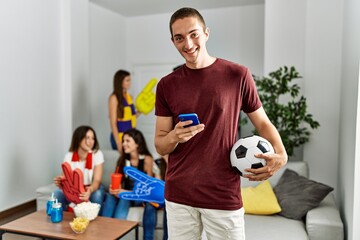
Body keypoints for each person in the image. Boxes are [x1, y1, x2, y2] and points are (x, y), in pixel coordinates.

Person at [154, 7, 288, 240]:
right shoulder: (167, 85)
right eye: (179, 38)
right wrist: (174, 136)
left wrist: (281, 154)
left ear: (206, 33)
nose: (188, 43)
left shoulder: (237, 75)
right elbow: (160, 145)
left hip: (222, 194)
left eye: (194, 34)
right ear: (172, 41)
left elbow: (263, 124)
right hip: (179, 194)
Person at [101, 128, 158, 240]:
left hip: (138, 197)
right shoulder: (122, 159)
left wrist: (124, 193)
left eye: (127, 141)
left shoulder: (147, 159)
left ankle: (115, 230)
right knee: (110, 196)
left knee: (124, 198)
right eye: (123, 141)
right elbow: (118, 181)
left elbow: (147, 189)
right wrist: (115, 189)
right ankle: (103, 232)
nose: (123, 144)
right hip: (125, 195)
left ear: (137, 143)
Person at [53, 125, 105, 211]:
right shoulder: (69, 155)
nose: (90, 141)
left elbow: (97, 180)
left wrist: (90, 190)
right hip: (74, 189)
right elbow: (65, 177)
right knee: (57, 194)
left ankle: (92, 220)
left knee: (97, 195)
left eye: (93, 138)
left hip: (91, 188)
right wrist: (60, 182)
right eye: (87, 138)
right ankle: (62, 220)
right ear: (78, 139)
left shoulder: (97, 154)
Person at [109, 70, 139, 152]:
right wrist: (118, 142)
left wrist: (140, 111)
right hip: (119, 137)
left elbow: (131, 117)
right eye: (127, 80)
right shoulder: (114, 98)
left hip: (131, 136)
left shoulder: (129, 97)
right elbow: (113, 123)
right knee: (122, 162)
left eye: (130, 80)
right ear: (120, 82)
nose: (130, 83)